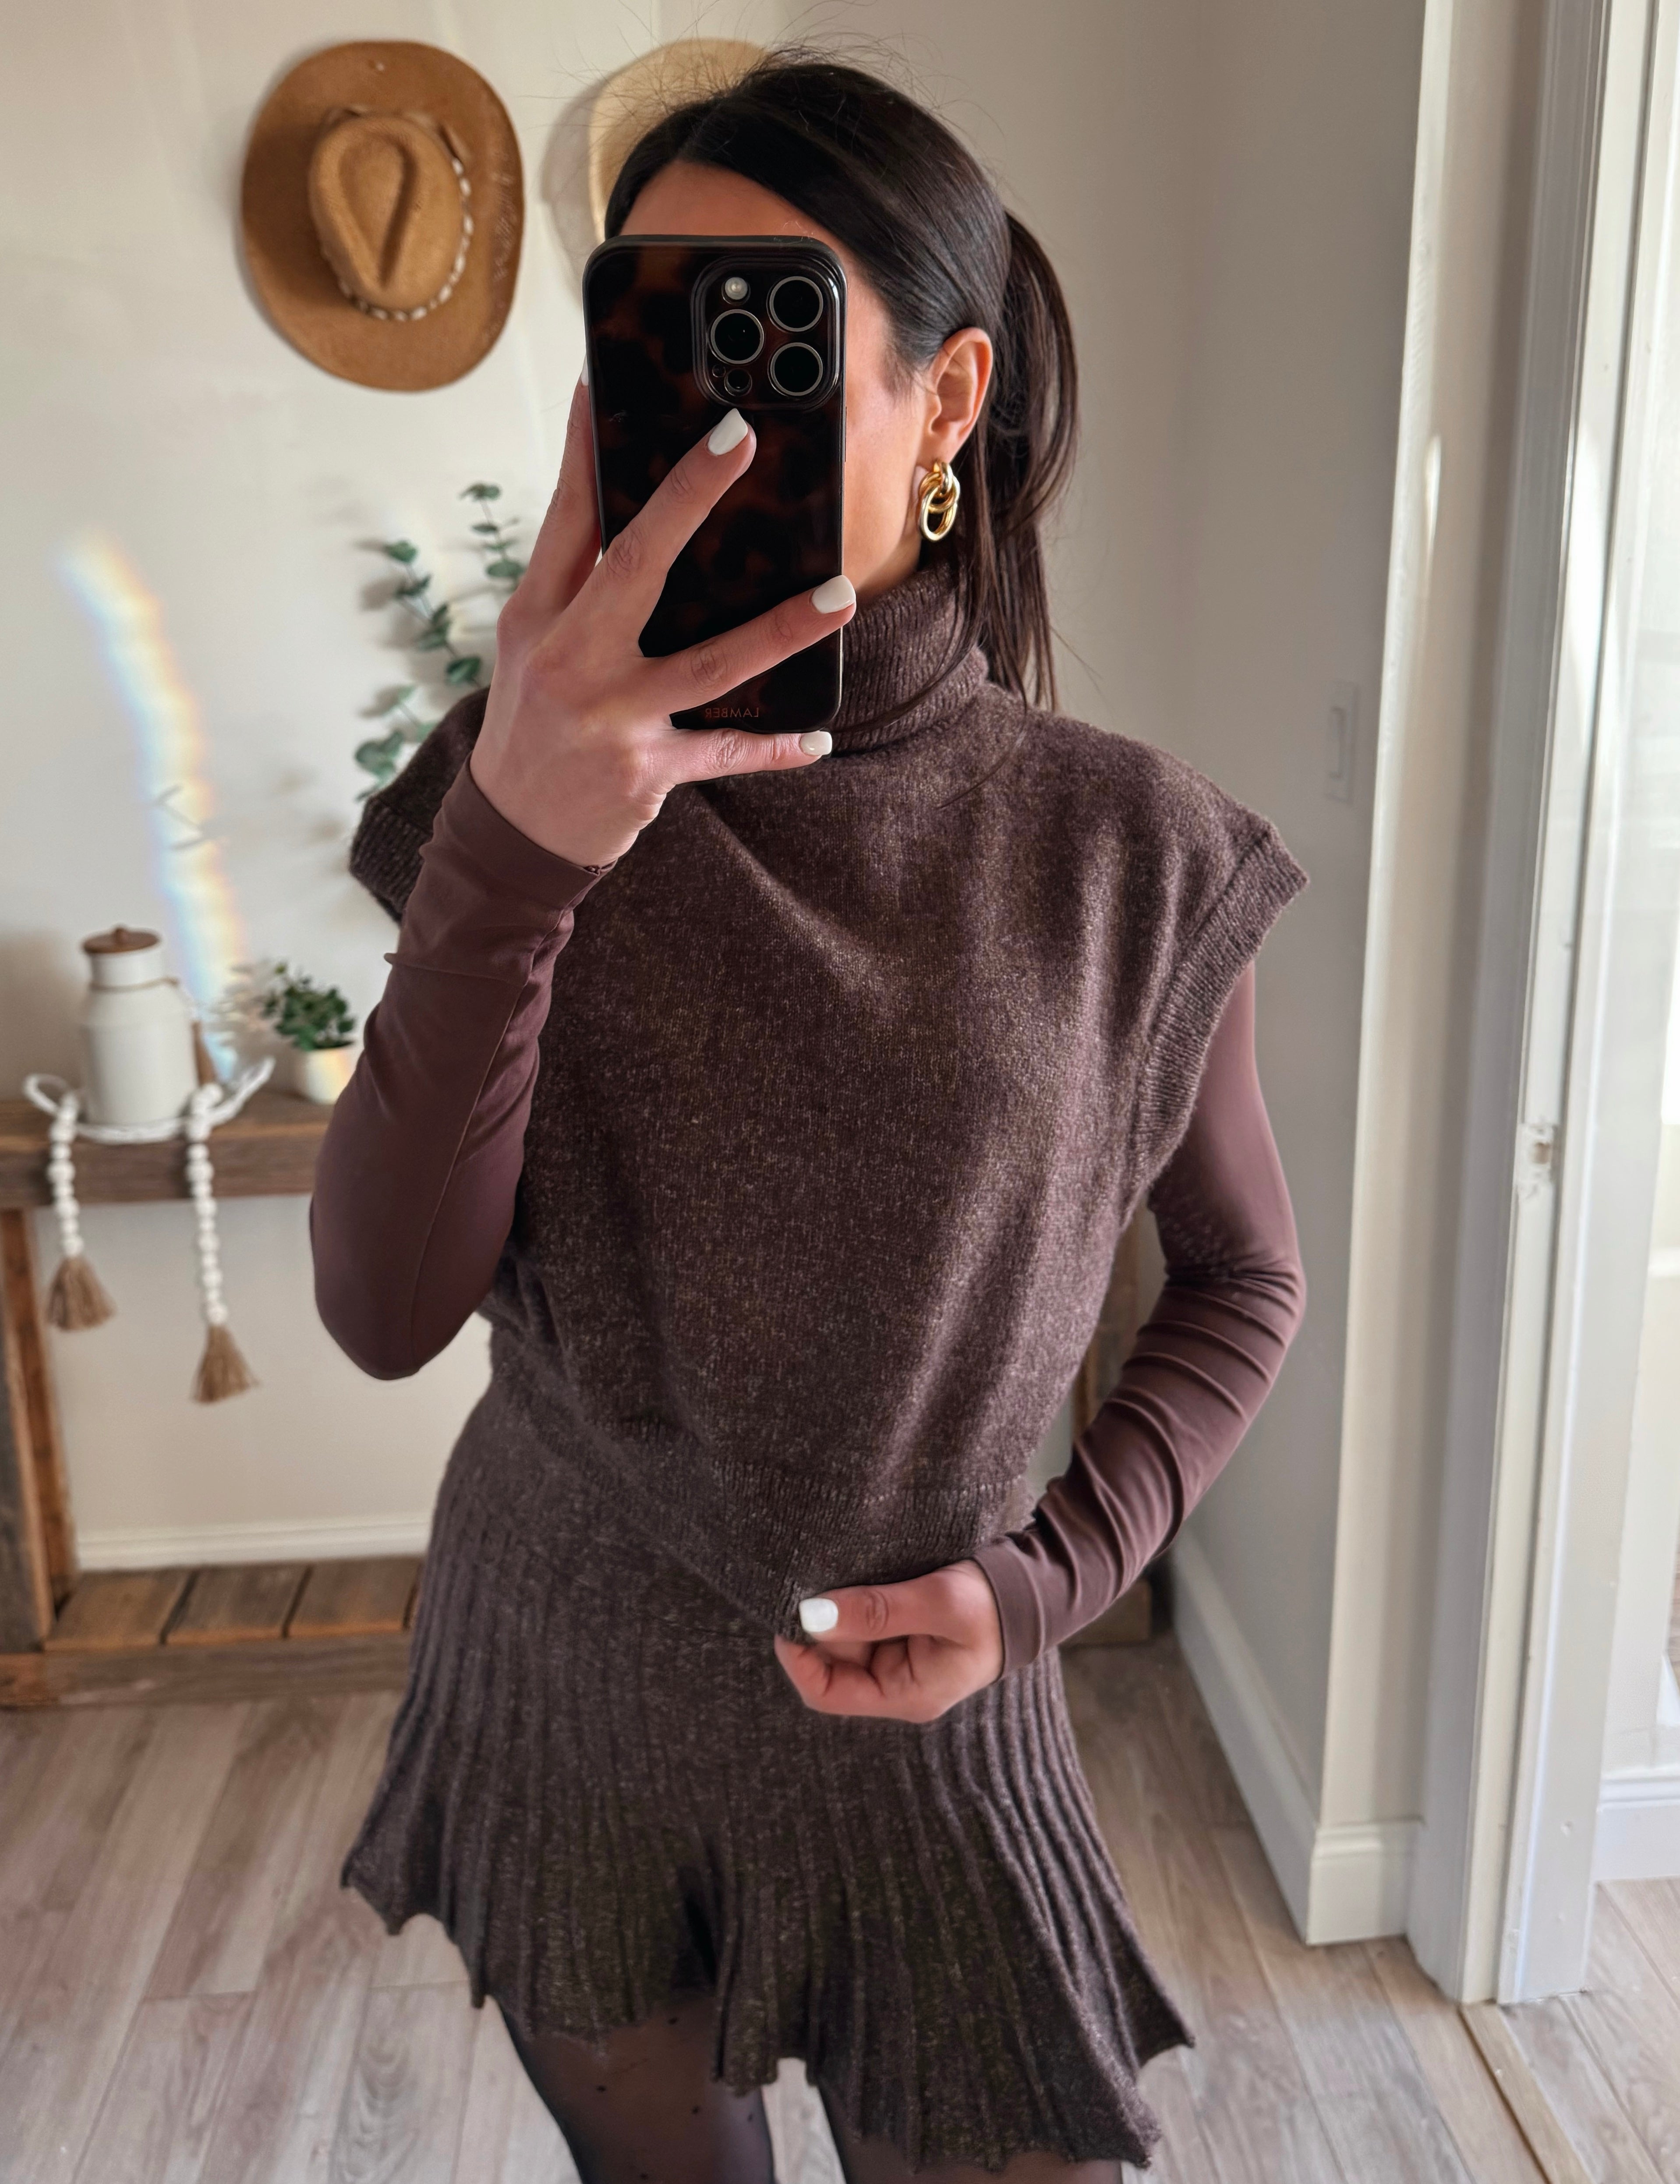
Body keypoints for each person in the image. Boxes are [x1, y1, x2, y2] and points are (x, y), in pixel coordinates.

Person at [311, 52, 1307, 2184]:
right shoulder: (504, 793)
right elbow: (384, 1312)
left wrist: (1049, 1579)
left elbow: (1240, 1278)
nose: (699, 415)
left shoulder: (1124, 848)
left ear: (945, 400)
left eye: (754, 333)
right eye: (648, 338)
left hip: (935, 1704)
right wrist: (511, 853)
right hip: (567, 1655)